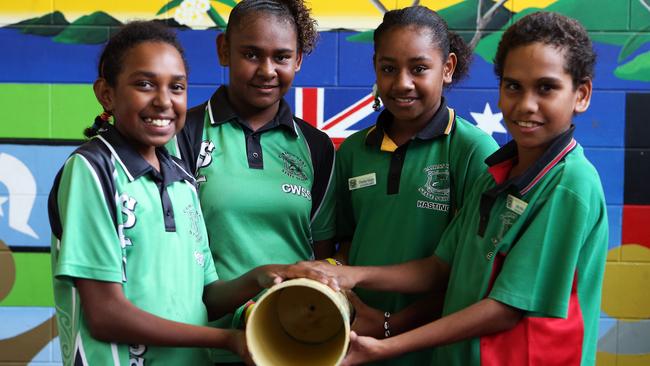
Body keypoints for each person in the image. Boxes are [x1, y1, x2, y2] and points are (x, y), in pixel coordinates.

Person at [305, 11, 608, 366]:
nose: (526, 104)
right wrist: (350, 274)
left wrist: (388, 339)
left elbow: (504, 309)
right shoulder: (495, 175)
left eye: (546, 88)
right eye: (513, 86)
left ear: (582, 94)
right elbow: (439, 267)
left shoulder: (569, 184)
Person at [48, 21, 335, 366]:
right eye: (144, 84)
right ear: (106, 94)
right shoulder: (92, 170)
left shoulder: (183, 179)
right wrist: (227, 340)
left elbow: (208, 297)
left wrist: (261, 276)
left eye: (177, 87)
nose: (163, 101)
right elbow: (106, 315)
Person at [167, 1, 336, 362]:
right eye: (251, 54)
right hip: (203, 345)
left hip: (289, 343)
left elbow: (322, 256)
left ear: (299, 60)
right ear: (224, 50)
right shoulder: (184, 134)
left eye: (282, 57)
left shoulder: (316, 147)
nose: (267, 70)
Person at [331, 6, 497, 365]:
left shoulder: (474, 151)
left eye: (419, 68)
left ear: (447, 68)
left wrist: (391, 325)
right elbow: (344, 243)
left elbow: (469, 274)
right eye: (389, 68)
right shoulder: (354, 151)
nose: (402, 82)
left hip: (436, 349)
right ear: (376, 67)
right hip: (358, 345)